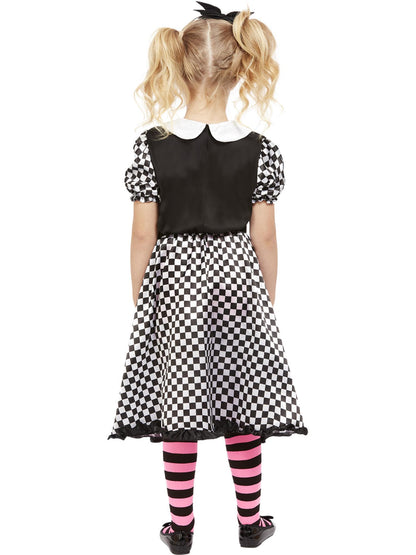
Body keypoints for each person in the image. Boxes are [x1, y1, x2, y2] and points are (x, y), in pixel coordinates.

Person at [107, 2, 308, 552]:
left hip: (174, 285)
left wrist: (144, 299)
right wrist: (264, 301)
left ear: (177, 65)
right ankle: (251, 521)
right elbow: (265, 238)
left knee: (181, 402)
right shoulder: (261, 149)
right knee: (243, 401)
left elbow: (142, 236)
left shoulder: (151, 145)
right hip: (239, 281)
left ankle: (181, 527)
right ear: (241, 69)